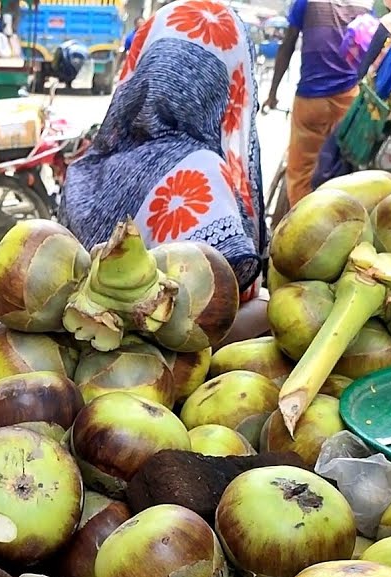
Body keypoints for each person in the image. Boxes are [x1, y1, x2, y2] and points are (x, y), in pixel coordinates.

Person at [62, 0, 269, 342]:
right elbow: (204, 328)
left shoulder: (93, 165)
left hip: (88, 364)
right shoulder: (202, 171)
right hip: (165, 381)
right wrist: (269, 310)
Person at [264, 0, 375, 205]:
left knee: (300, 173)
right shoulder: (365, 5)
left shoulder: (306, 2)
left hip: (311, 98)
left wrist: (272, 94)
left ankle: (300, 224)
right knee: (342, 169)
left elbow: (288, 44)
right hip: (349, 99)